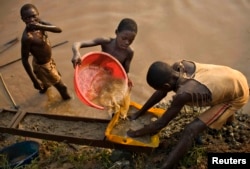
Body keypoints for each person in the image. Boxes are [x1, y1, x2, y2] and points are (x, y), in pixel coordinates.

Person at [127, 60, 249, 169]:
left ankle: (167, 166)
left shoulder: (184, 94)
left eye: (161, 88)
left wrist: (133, 133)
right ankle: (229, 121)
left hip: (237, 96)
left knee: (190, 130)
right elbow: (161, 92)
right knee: (222, 91)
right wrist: (139, 112)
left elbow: (161, 124)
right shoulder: (179, 66)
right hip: (232, 76)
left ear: (166, 86)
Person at [20, 4, 71, 100]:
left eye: (33, 16)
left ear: (38, 14)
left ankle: (43, 89)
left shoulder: (40, 23)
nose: (31, 20)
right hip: (44, 66)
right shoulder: (27, 37)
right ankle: (69, 104)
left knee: (45, 82)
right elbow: (24, 60)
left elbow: (59, 30)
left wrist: (41, 26)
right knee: (63, 88)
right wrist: (34, 81)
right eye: (27, 18)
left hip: (45, 60)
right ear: (23, 19)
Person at [71, 18, 138, 88]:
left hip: (111, 75)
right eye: (124, 38)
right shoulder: (106, 42)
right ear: (116, 32)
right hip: (98, 69)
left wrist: (127, 79)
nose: (127, 42)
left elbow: (125, 71)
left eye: (131, 40)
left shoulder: (129, 52)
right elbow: (77, 44)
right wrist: (76, 53)